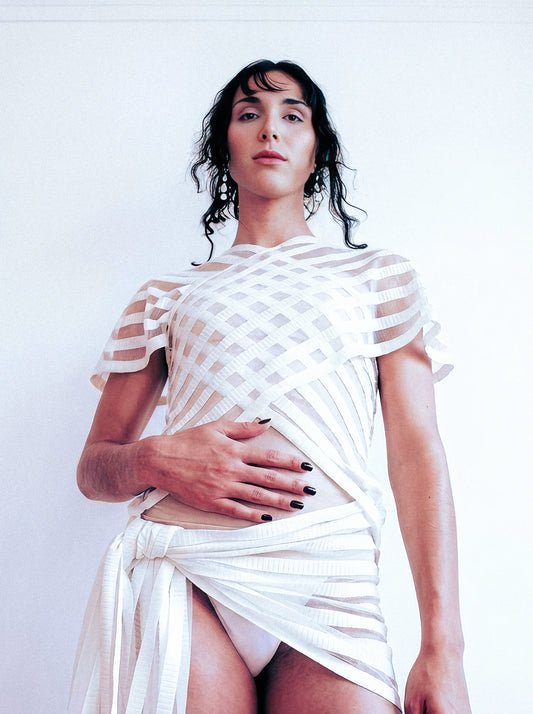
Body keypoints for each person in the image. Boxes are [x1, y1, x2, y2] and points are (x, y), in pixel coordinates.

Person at [70, 60, 471, 714]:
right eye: (248, 114)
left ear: (317, 151)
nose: (270, 129)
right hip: (186, 576)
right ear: (224, 149)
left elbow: (417, 454)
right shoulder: (167, 295)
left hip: (330, 587)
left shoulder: (380, 280)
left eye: (292, 115)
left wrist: (442, 648)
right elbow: (94, 467)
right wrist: (152, 458)